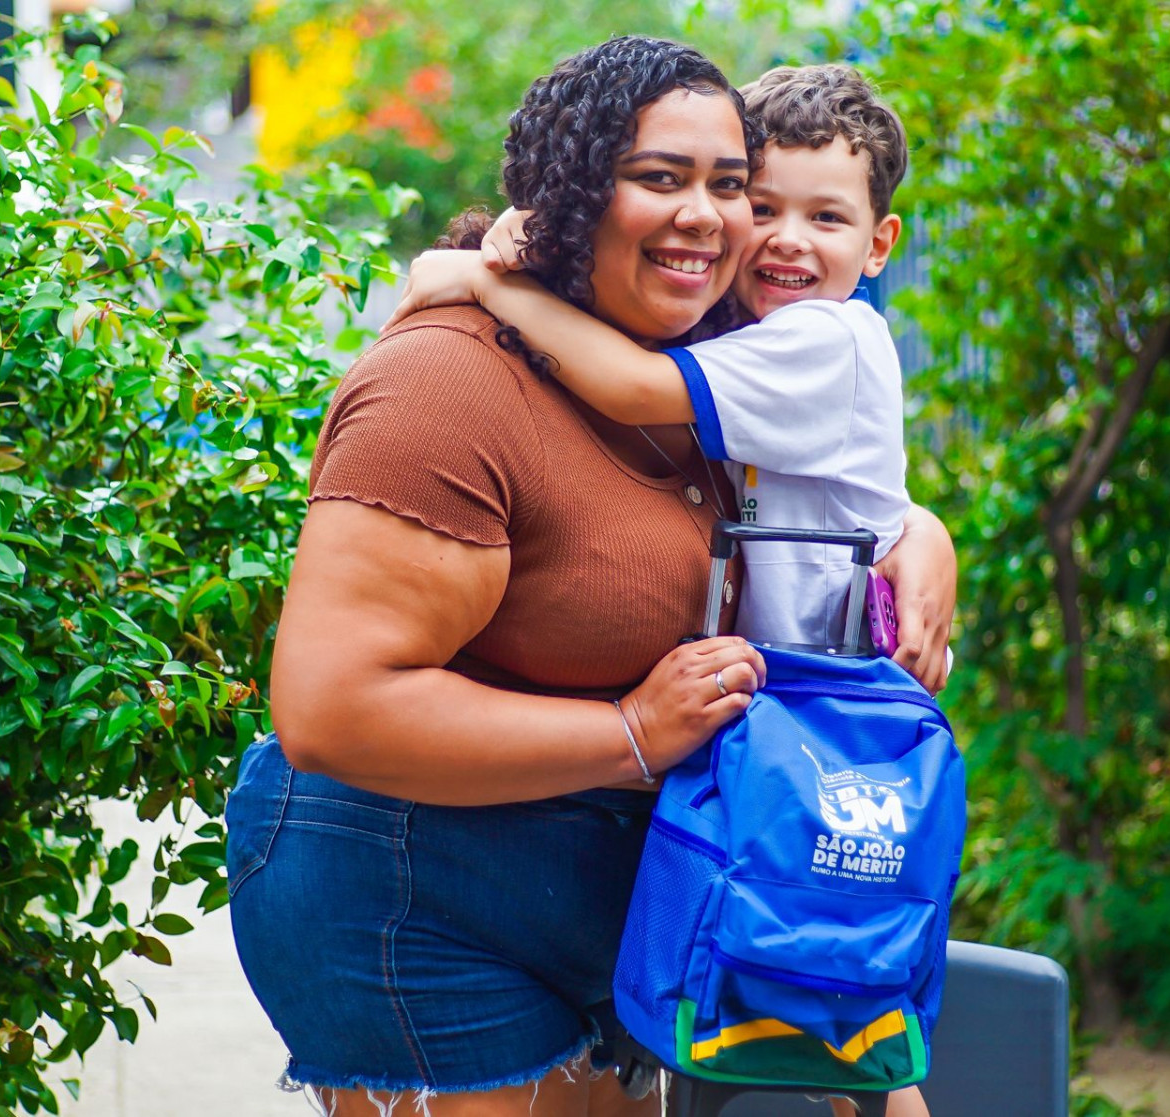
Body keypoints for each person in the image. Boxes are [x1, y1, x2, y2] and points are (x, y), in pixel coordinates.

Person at [224, 37, 956, 1117]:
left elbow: (815, 490)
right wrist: (630, 734)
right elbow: (337, 707)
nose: (710, 217)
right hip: (415, 885)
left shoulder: (708, 349)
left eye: (728, 186)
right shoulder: (449, 382)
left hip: (602, 880)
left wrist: (914, 530)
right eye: (661, 178)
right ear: (573, 193)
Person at [387, 64, 914, 656]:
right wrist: (546, 227)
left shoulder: (825, 337)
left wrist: (494, 286)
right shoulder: (742, 324)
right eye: (761, 209)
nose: (788, 238)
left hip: (828, 677)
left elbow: (634, 386)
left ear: (877, 245)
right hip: (785, 669)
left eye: (826, 217)